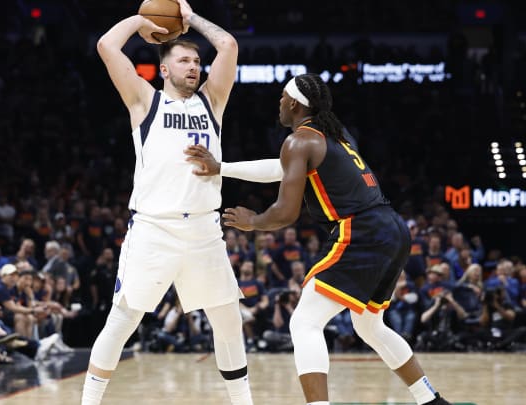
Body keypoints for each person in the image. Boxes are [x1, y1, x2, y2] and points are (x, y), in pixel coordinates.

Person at [187, 73, 451, 404]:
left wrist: (253, 221)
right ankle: (430, 399)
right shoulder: (334, 136)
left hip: (361, 230)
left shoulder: (299, 141)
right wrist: (221, 167)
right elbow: (281, 168)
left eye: (283, 97)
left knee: (304, 323)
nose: (279, 102)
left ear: (295, 103)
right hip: (392, 227)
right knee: (369, 326)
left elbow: (285, 213)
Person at [81, 1, 253, 404]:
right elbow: (107, 45)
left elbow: (227, 45)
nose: (194, 66)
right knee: (123, 320)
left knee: (228, 321)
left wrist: (190, 20)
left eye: (196, 60)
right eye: (184, 60)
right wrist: (142, 21)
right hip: (154, 229)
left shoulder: (213, 102)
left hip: (204, 231)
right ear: (164, 68)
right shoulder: (145, 101)